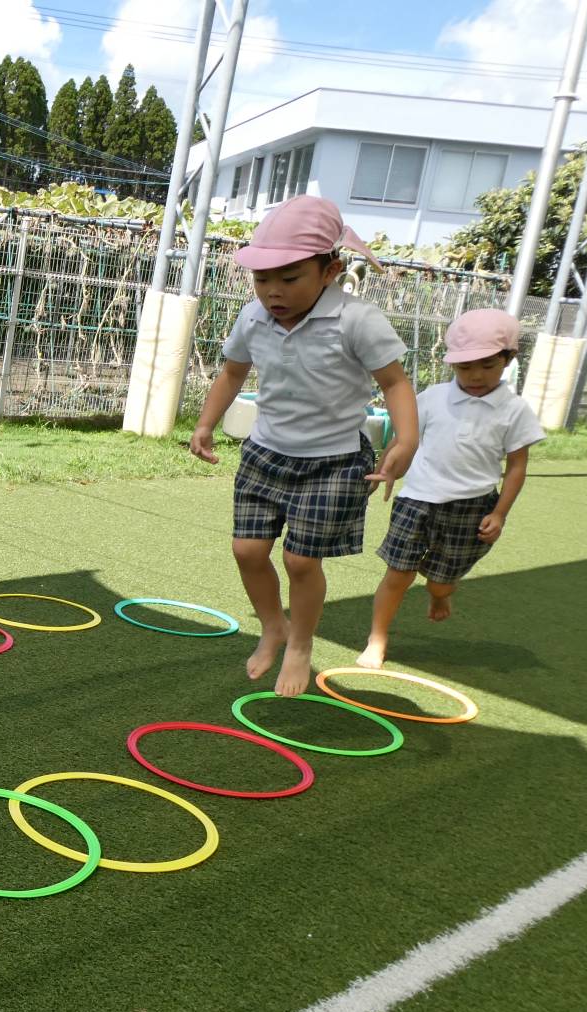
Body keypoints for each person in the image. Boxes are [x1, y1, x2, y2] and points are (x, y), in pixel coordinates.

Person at [189, 195, 418, 697]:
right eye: (262, 279)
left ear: (330, 270)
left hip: (333, 462)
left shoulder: (356, 320)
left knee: (299, 560)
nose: (273, 291)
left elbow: (395, 383)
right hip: (265, 453)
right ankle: (274, 626)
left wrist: (406, 439)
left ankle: (300, 644)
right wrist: (205, 424)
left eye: (289, 278)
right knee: (247, 550)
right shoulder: (253, 318)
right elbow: (232, 372)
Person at [357, 309, 545, 669]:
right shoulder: (433, 396)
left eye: (488, 365)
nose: (476, 375)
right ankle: (377, 638)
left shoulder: (515, 410)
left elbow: (517, 467)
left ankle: (440, 594)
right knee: (398, 573)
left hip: (472, 507)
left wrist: (500, 514)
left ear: (508, 359)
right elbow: (405, 439)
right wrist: (388, 469)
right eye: (464, 367)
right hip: (417, 501)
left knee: (441, 582)